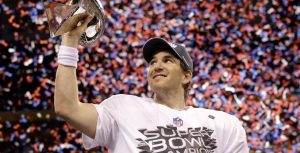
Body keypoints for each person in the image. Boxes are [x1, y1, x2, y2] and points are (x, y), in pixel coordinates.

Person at [54, 12, 249, 153]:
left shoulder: (225, 125)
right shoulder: (122, 107)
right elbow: (67, 108)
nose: (157, 66)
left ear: (186, 76)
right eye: (153, 62)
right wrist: (70, 40)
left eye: (167, 60)